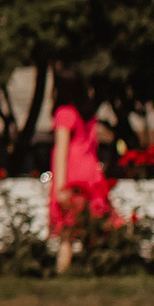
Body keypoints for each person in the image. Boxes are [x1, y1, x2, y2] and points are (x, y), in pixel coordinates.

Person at [49, 84, 112, 275]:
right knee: (91, 225)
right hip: (91, 174)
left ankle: (64, 272)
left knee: (67, 232)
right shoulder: (86, 116)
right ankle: (91, 269)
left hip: (72, 174)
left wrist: (59, 185)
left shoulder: (64, 113)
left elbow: (62, 149)